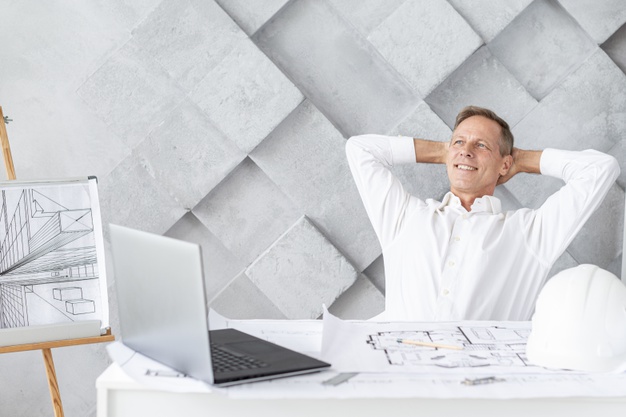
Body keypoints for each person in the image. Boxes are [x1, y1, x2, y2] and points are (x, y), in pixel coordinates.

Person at [346, 105, 620, 321]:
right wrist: (444, 151)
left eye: (481, 145)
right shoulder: (404, 217)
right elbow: (360, 150)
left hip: (484, 374)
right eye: (459, 142)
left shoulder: (530, 233)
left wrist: (521, 160)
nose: (466, 151)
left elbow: (600, 168)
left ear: (505, 165)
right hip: (396, 370)